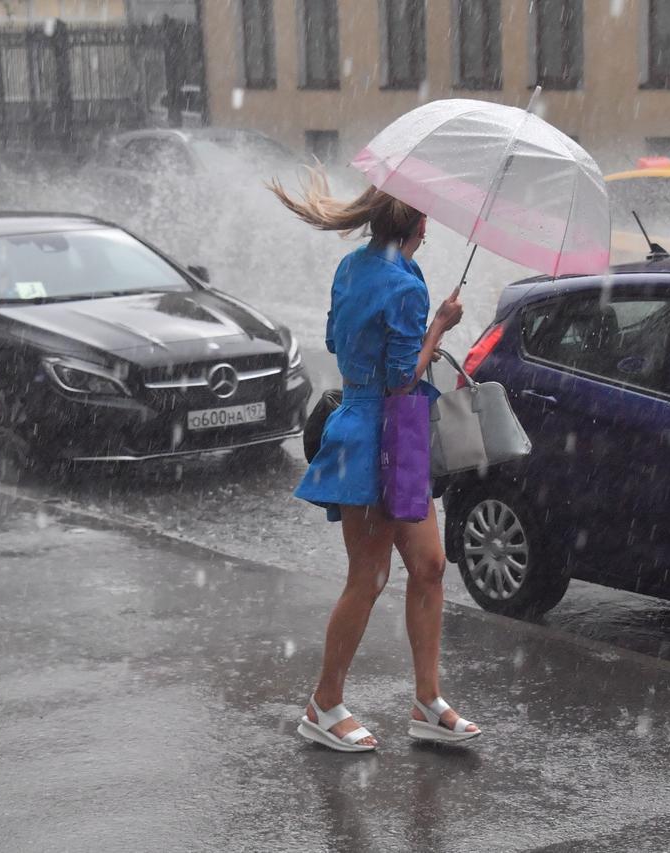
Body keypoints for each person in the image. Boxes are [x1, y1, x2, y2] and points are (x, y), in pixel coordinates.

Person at [269, 171, 480, 752]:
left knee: (431, 565)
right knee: (369, 578)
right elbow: (401, 378)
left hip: (389, 430)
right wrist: (440, 324)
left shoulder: (358, 268)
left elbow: (336, 341)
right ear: (418, 225)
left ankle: (427, 702)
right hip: (377, 433)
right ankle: (323, 704)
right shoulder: (407, 286)